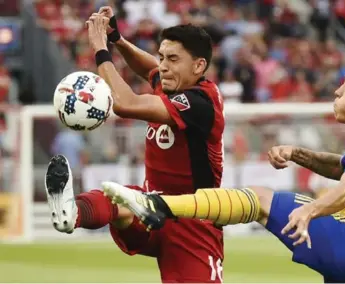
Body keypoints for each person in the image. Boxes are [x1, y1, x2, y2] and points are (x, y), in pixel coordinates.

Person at [103, 58, 345, 283]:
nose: (336, 91)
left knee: (260, 199)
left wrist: (310, 211)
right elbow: (341, 167)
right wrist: (297, 153)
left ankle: (158, 205)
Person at [45, 8, 226, 283]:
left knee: (123, 200)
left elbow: (125, 104)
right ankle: (72, 212)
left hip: (193, 220)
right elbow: (149, 68)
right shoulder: (170, 84)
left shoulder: (200, 103)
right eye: (163, 56)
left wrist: (101, 51)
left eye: (173, 59)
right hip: (150, 208)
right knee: (118, 198)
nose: (163, 66)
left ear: (199, 66)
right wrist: (117, 38)